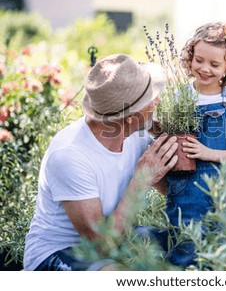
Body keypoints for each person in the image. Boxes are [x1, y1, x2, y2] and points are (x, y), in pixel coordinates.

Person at [23, 54, 179, 271]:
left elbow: (171, 189)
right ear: (129, 118)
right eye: (150, 99)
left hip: (115, 238)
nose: (158, 100)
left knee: (182, 244)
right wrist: (141, 180)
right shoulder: (70, 155)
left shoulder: (136, 132)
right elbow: (100, 246)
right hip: (57, 254)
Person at [154, 22, 226, 268]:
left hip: (225, 195)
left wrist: (208, 152)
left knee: (223, 256)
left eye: (215, 64)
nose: (205, 69)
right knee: (184, 252)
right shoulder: (178, 96)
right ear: (190, 57)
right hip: (185, 192)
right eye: (199, 60)